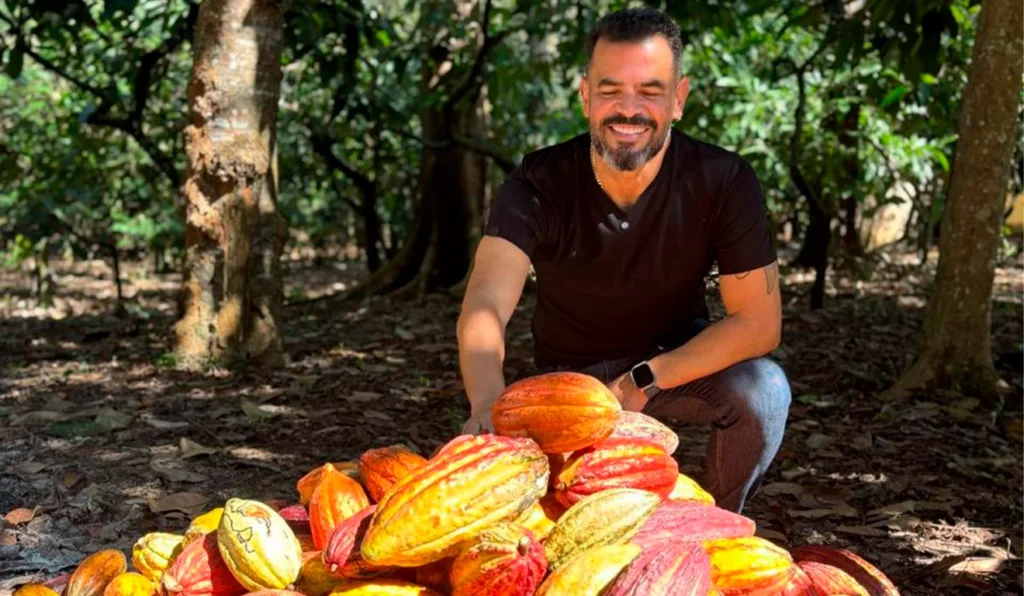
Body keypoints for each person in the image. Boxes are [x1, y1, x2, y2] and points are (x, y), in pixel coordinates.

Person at [455, 7, 791, 514]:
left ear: (678, 99)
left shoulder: (723, 180)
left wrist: (644, 378)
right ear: (585, 97)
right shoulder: (537, 183)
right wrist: (486, 402)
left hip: (674, 363)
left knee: (764, 390)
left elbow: (759, 324)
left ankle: (718, 526)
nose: (628, 110)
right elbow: (485, 301)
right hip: (568, 376)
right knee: (540, 519)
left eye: (650, 91)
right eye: (610, 90)